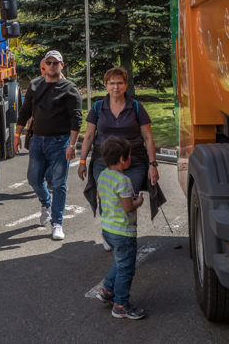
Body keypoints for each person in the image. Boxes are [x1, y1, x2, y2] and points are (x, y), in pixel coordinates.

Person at [78, 66, 160, 251]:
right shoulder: (98, 107)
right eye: (112, 83)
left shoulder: (136, 107)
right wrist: (82, 161)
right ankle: (108, 234)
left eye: (120, 83)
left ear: (126, 85)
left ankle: (129, 233)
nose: (116, 87)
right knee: (106, 197)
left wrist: (153, 164)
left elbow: (148, 137)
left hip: (134, 161)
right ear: (106, 85)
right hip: (103, 161)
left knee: (129, 196)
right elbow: (89, 136)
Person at [13, 49, 82, 241]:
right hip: (37, 140)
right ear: (45, 65)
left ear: (62, 65)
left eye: (56, 63)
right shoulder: (35, 85)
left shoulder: (70, 88)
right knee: (34, 179)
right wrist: (17, 135)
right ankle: (46, 203)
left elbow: (76, 119)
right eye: (49, 63)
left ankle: (57, 223)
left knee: (59, 183)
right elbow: (25, 112)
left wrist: (72, 145)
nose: (52, 66)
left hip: (60, 142)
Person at [94, 136, 147, 320]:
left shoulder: (103, 175)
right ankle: (121, 305)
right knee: (126, 268)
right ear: (123, 159)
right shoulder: (123, 181)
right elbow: (128, 207)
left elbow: (100, 196)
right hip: (123, 231)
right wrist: (138, 201)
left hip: (108, 229)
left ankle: (107, 290)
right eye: (129, 155)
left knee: (120, 262)